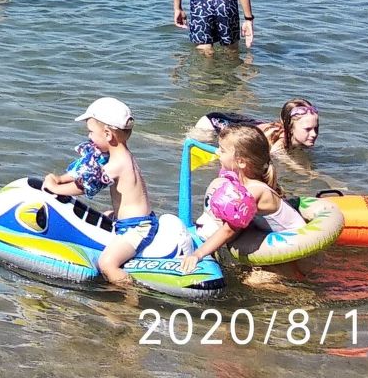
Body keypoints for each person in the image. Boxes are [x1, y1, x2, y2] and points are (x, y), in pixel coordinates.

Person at [43, 97, 159, 288]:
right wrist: (61, 178)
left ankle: (130, 298)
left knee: (106, 264)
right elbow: (84, 172)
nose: (89, 137)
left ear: (107, 134)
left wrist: (56, 188)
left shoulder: (118, 163)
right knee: (104, 216)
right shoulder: (115, 156)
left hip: (137, 228)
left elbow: (87, 185)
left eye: (91, 132)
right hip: (129, 221)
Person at [181, 125, 304, 272]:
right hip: (277, 239)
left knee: (255, 282)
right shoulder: (247, 184)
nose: (217, 152)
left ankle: (300, 292)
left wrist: (198, 254)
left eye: (223, 150)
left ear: (241, 162)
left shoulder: (254, 191)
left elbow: (229, 230)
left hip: (296, 247)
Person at [189, 98, 321, 180]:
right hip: (213, 123)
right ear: (289, 127)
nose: (314, 134)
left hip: (239, 122)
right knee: (195, 149)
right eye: (308, 129)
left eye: (316, 128)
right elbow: (295, 167)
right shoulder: (276, 145)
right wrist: (321, 178)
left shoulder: (292, 136)